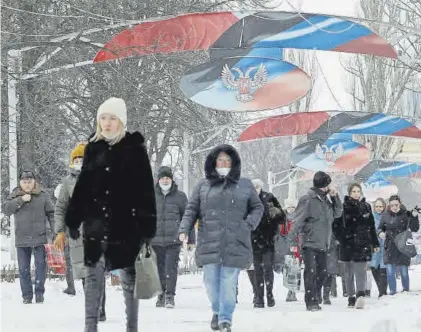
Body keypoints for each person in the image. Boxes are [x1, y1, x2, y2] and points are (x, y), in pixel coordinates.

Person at [64, 97, 157, 332]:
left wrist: (146, 228)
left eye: (112, 118)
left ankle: (131, 327)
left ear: (121, 121)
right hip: (95, 226)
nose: (106, 123)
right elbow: (83, 186)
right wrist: (74, 218)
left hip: (126, 226)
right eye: (103, 118)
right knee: (93, 279)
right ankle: (90, 327)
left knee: (128, 281)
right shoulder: (92, 149)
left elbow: (146, 190)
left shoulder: (135, 150)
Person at [178, 144, 263, 332]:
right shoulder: (202, 185)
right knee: (210, 281)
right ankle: (217, 310)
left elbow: (258, 207)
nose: (224, 163)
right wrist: (184, 229)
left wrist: (247, 224)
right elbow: (191, 209)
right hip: (209, 240)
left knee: (228, 280)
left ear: (233, 163)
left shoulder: (245, 184)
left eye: (228, 160)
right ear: (214, 162)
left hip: (235, 241)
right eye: (220, 160)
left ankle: (225, 318)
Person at [54, 142, 107, 321]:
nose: (79, 162)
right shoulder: (67, 182)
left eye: (82, 159)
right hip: (77, 233)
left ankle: (100, 308)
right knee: (84, 271)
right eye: (76, 159)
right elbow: (61, 207)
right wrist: (60, 230)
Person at [287, 171, 343, 312]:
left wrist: (335, 197)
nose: (331, 187)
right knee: (311, 272)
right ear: (323, 185)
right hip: (309, 242)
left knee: (323, 273)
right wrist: (293, 241)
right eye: (329, 184)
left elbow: (338, 213)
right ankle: (311, 301)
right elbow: (297, 220)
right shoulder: (308, 199)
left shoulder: (326, 200)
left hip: (323, 243)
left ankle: (315, 296)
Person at [3, 170, 55, 304]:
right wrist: (20, 200)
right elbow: (6, 209)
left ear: (34, 182)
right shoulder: (15, 194)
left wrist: (55, 230)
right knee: (23, 269)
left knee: (40, 267)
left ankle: (39, 293)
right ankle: (27, 296)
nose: (27, 185)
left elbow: (52, 213)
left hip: (39, 237)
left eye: (30, 182)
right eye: (24, 182)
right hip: (22, 238)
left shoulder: (42, 195)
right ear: (20, 183)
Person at [332, 183, 379, 309]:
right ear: (349, 193)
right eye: (354, 191)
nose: (356, 194)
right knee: (348, 273)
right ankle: (351, 296)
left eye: (358, 191)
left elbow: (372, 226)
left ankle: (360, 295)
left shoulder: (366, 206)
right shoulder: (343, 207)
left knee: (361, 271)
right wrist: (342, 238)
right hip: (347, 243)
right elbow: (335, 226)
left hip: (363, 243)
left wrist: (375, 242)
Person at [152, 166, 188, 308]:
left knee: (170, 269)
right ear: (158, 180)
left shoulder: (180, 196)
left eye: (167, 178)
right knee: (159, 269)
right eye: (163, 178)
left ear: (171, 180)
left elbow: (187, 217)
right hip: (155, 240)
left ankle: (170, 296)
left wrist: (190, 238)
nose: (165, 180)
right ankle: (161, 294)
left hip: (173, 240)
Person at [246, 179, 285, 308]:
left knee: (268, 268)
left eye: (257, 186)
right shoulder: (247, 200)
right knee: (257, 270)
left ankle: (269, 294)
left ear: (261, 187)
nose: (255, 188)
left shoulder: (269, 197)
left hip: (268, 239)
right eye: (253, 186)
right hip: (254, 239)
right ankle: (259, 297)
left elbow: (282, 218)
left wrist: (276, 213)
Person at [378, 195, 419, 294]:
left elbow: (415, 228)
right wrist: (380, 233)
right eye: (392, 205)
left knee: (404, 271)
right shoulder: (385, 215)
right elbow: (380, 228)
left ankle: (406, 290)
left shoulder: (406, 214)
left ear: (400, 203)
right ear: (389, 205)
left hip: (402, 246)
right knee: (390, 272)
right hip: (389, 246)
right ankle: (392, 291)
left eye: (396, 204)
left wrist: (414, 217)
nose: (394, 207)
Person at [281, 199, 300, 302]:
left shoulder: (299, 218)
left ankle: (293, 292)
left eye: (293, 207)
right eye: (289, 207)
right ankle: (290, 291)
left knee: (295, 269)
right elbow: (282, 233)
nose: (291, 209)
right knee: (289, 270)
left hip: (297, 246)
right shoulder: (283, 219)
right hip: (287, 246)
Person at [369, 197, 388, 298]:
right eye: (377, 206)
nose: (378, 208)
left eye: (380, 206)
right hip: (374, 246)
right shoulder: (370, 217)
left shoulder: (387, 216)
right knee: (374, 267)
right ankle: (381, 290)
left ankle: (383, 292)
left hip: (385, 246)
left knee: (383, 269)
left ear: (384, 207)